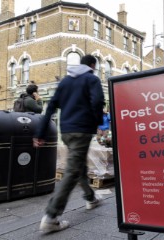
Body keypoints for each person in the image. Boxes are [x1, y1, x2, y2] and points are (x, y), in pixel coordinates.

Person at [33, 55, 105, 233]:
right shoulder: (92, 79)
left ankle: (90, 198)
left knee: (77, 166)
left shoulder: (65, 82)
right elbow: (97, 102)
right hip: (82, 130)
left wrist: (41, 132)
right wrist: (97, 123)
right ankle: (51, 216)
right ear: (92, 65)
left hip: (65, 131)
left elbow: (50, 107)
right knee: (73, 170)